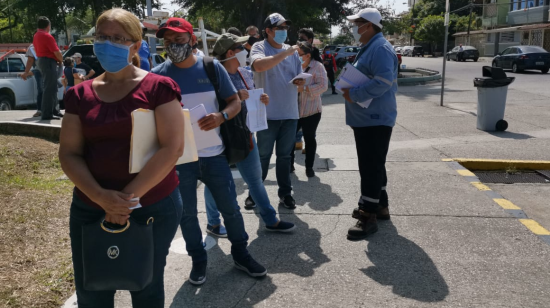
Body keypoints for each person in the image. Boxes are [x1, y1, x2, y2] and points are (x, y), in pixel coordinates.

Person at [59, 8, 185, 307]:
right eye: (102, 37)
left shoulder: (159, 88)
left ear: (135, 44)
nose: (107, 43)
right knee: (92, 291)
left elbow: (172, 148)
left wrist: (124, 202)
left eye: (117, 38)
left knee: (146, 289)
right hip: (91, 208)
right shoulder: (79, 95)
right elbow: (69, 153)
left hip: (152, 206)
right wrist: (102, 198)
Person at [152, 17, 267, 286]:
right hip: (180, 160)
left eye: (179, 40)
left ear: (192, 40)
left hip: (214, 155)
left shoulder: (212, 67)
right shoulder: (157, 75)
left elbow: (234, 102)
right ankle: (198, 260)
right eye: (168, 41)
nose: (173, 45)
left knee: (231, 209)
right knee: (187, 215)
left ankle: (240, 253)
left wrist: (220, 117)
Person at [204, 33, 296, 236]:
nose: (246, 50)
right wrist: (235, 97)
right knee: (216, 182)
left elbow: (251, 99)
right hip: (221, 137)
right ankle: (213, 223)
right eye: (241, 48)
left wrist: (260, 99)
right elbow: (210, 106)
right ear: (230, 52)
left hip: (244, 135)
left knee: (255, 180)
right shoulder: (214, 76)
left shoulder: (244, 73)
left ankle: (271, 220)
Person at [341, 8, 397, 240]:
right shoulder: (371, 46)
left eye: (357, 24)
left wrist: (354, 94)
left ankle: (368, 215)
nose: (354, 28)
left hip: (375, 119)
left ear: (370, 25)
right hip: (367, 119)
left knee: (370, 166)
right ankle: (380, 205)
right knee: (375, 164)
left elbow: (383, 81)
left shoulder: (380, 48)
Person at [250, 13, 304, 210]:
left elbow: (298, 79)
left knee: (284, 157)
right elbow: (258, 65)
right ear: (268, 31)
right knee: (263, 156)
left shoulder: (293, 53)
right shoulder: (260, 47)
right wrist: (285, 53)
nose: (284, 31)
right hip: (267, 114)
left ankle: (285, 194)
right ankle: (255, 193)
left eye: (285, 28)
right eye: (279, 28)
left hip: (289, 113)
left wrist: (300, 81)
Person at [290, 42, 328, 178]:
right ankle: (290, 166)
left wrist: (305, 89)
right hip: (293, 109)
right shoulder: (294, 65)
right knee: (289, 139)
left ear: (307, 55)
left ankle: (309, 167)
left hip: (311, 110)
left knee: (309, 138)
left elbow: (323, 86)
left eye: (299, 55)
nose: (297, 57)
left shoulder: (318, 66)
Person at [33, 16, 64, 120]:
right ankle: (47, 114)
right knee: (49, 88)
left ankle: (55, 110)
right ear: (48, 26)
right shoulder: (47, 36)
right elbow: (57, 52)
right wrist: (61, 61)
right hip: (48, 61)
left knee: (52, 86)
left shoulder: (37, 35)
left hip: (42, 60)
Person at [294, 28, 315, 152]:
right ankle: (298, 141)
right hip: (297, 93)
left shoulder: (315, 55)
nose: (300, 40)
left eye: (303, 38)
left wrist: (307, 88)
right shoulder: (296, 52)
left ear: (310, 40)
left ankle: (309, 143)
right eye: (299, 38)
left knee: (310, 123)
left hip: (311, 95)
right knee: (297, 119)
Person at [20, 44, 43, 117]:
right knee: (47, 90)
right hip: (47, 70)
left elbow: (30, 61)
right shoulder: (34, 47)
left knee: (41, 90)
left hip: (40, 71)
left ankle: (41, 110)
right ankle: (51, 110)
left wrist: (26, 72)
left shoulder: (32, 47)